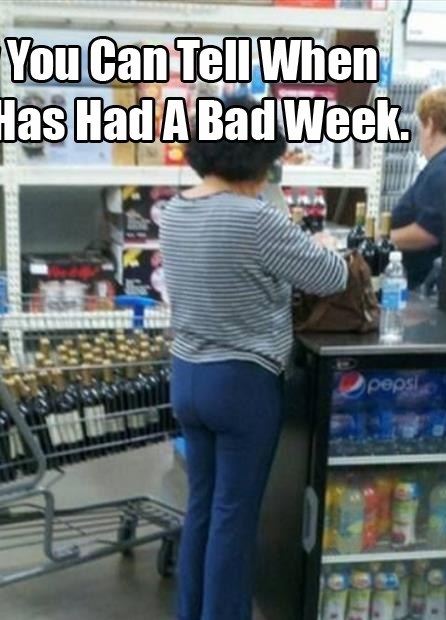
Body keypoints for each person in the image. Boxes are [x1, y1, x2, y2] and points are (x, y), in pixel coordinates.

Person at [160, 95, 348, 620]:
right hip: (242, 383)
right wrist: (322, 244)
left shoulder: (174, 211)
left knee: (201, 507)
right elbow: (331, 277)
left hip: (187, 376)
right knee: (235, 518)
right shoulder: (253, 217)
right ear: (258, 156)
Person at [391, 87, 446, 289]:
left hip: (424, 282)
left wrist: (381, 238)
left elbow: (428, 233)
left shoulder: (443, 168)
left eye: (420, 127)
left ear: (430, 124)